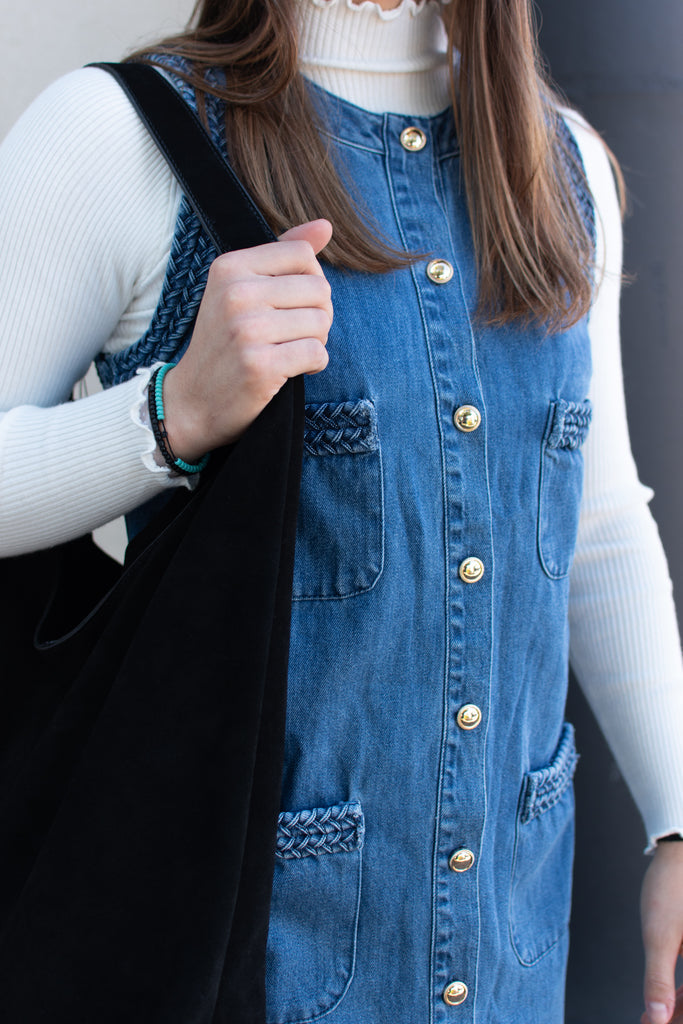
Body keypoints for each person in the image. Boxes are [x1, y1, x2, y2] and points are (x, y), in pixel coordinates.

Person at [0, 0, 682, 1020]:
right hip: (243, 958)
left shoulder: (558, 165)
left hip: (510, 945)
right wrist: (168, 414)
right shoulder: (122, 133)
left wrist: (674, 822)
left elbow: (591, 522)